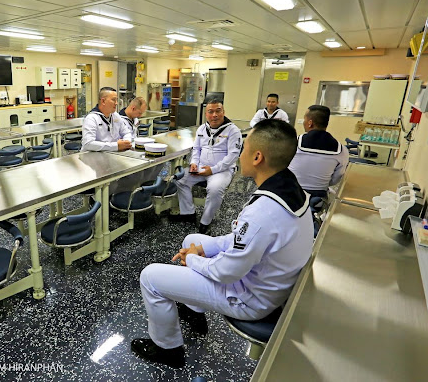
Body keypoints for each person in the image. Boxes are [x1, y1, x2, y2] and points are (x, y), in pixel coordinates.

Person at [131, 119, 313, 368]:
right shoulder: (288, 188)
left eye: (244, 148)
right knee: (192, 239)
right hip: (268, 280)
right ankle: (194, 312)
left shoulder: (264, 211)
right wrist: (202, 249)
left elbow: (226, 272)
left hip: (251, 299)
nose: (240, 154)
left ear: (257, 157)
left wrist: (191, 259)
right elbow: (242, 237)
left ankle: (167, 349)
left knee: (150, 277)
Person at [170, 97, 241, 234]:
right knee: (179, 179)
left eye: (218, 111)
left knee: (215, 189)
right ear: (206, 114)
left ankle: (205, 222)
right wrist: (193, 163)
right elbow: (196, 149)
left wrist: (213, 170)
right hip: (201, 167)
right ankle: (188, 213)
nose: (214, 115)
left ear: (223, 112)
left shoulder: (233, 130)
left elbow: (233, 155)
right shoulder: (202, 129)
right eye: (210, 111)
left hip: (222, 170)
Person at [288, 105, 349, 197]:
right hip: (318, 198)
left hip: (291, 193)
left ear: (310, 123)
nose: (303, 122)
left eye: (304, 119)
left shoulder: (293, 143)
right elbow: (335, 179)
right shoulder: (342, 150)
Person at [81, 87, 132, 152]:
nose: (116, 103)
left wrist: (126, 142)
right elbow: (88, 144)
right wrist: (116, 146)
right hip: (91, 156)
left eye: (116, 100)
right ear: (103, 101)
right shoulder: (91, 118)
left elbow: (126, 132)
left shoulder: (115, 116)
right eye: (113, 100)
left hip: (110, 154)